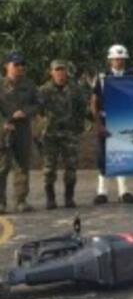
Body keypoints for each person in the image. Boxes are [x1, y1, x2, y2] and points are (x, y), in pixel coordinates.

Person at [38, 59, 90, 209]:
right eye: (57, 70)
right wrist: (42, 126)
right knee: (49, 168)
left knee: (71, 167)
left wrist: (79, 127)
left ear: (67, 72)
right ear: (51, 72)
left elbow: (82, 109)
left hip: (70, 134)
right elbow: (37, 111)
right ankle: (50, 199)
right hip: (50, 135)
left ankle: (69, 198)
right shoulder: (44, 91)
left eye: (63, 70)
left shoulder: (75, 90)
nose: (60, 73)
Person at [91, 44, 133, 204]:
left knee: (123, 154)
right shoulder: (102, 77)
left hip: (126, 120)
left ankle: (124, 192)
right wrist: (98, 124)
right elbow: (94, 102)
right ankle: (102, 192)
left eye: (122, 59)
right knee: (103, 156)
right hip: (106, 119)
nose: (119, 61)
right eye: (116, 59)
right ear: (110, 60)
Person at [0, 52, 42, 214]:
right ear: (7, 66)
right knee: (2, 167)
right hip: (3, 130)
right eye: (16, 64)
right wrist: (4, 122)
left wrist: (25, 112)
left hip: (23, 129)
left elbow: (38, 104)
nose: (20, 67)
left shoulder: (29, 85)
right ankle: (1, 203)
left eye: (22, 64)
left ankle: (21, 201)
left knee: (22, 166)